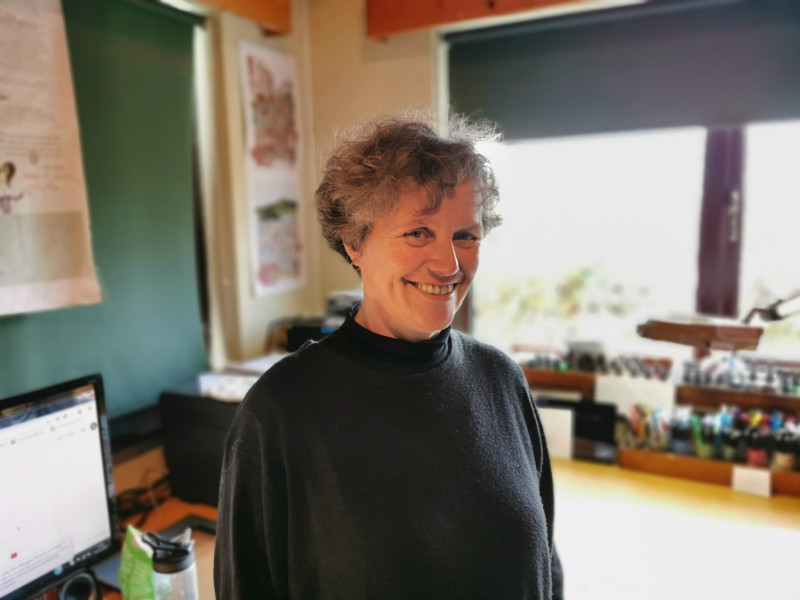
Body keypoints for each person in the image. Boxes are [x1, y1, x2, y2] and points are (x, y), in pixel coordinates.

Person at [214, 113, 564, 599]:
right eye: (418, 233)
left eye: (466, 234)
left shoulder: (501, 380)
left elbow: (545, 561)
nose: (449, 264)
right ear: (355, 242)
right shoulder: (281, 410)